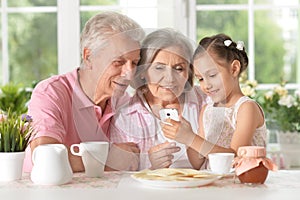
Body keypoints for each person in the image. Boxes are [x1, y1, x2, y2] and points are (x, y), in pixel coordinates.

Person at [23, 11, 145, 172]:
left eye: (134, 63)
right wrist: (108, 159)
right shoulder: (51, 93)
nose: (129, 73)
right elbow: (46, 159)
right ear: (88, 56)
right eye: (118, 62)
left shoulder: (124, 102)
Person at [161, 33, 267, 169]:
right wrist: (187, 136)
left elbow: (234, 158)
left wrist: (191, 138)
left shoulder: (247, 108)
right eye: (200, 79)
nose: (206, 85)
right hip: (214, 186)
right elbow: (197, 163)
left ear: (234, 69)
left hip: (243, 186)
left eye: (212, 75)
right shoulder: (207, 110)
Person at [109, 28, 207, 170]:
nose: (170, 78)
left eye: (179, 68)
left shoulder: (206, 101)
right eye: (159, 68)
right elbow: (120, 179)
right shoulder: (124, 118)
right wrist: (151, 167)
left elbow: (227, 157)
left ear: (189, 72)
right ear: (143, 72)